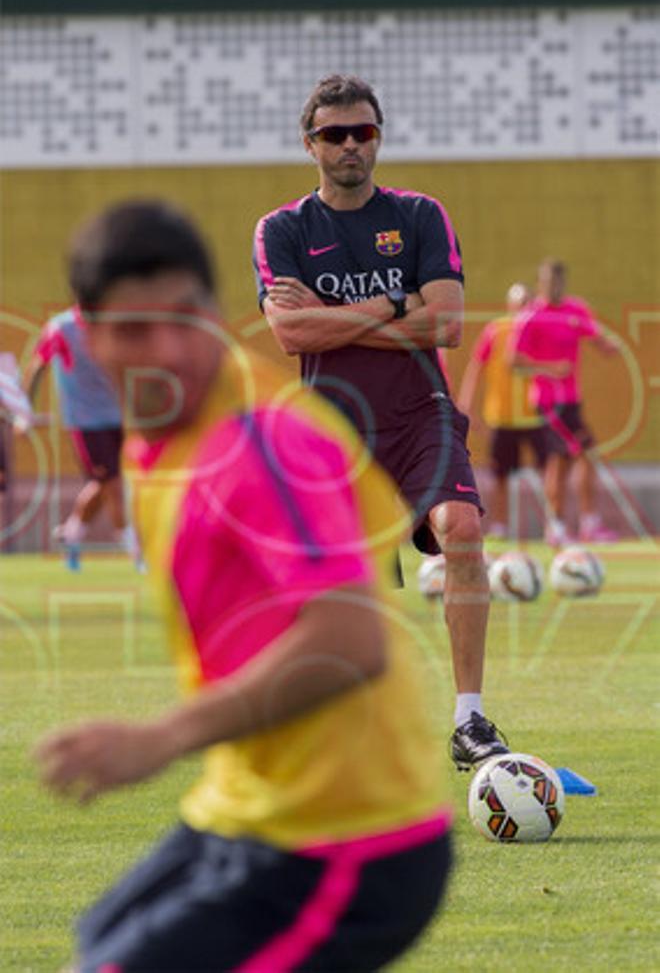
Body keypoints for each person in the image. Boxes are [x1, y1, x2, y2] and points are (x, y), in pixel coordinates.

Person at [35, 200, 454, 972]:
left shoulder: (263, 440)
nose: (167, 350)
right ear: (87, 338)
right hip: (245, 812)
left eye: (185, 317)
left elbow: (349, 639)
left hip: (349, 842)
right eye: (133, 330)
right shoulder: (158, 434)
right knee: (98, 942)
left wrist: (160, 738)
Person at [253, 73, 508, 769]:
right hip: (333, 428)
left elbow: (448, 324)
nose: (349, 146)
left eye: (362, 132)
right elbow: (291, 336)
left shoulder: (421, 215)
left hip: (420, 412)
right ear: (310, 145)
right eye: (334, 135)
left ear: (378, 138)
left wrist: (331, 318)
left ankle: (470, 720)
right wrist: (396, 307)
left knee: (462, 528)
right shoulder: (283, 230)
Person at [21, 307, 141, 569]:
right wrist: (25, 410)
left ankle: (71, 533)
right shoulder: (61, 328)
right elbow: (38, 365)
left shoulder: (112, 323)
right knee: (113, 483)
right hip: (84, 421)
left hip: (115, 415)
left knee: (104, 482)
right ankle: (136, 552)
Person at [511, 258, 620, 546]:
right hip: (548, 402)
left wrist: (610, 346)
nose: (553, 286)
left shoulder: (575, 309)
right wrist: (549, 369)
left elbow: (596, 337)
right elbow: (514, 361)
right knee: (572, 457)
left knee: (568, 460)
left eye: (558, 281)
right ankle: (571, 525)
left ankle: (569, 526)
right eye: (547, 281)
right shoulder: (531, 316)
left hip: (572, 400)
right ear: (540, 283)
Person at [457, 283, 549, 538]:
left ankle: (554, 523)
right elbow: (477, 366)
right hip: (503, 416)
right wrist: (466, 405)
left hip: (534, 414)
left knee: (547, 470)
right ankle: (500, 524)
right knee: (500, 474)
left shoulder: (540, 330)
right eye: (519, 304)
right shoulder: (496, 330)